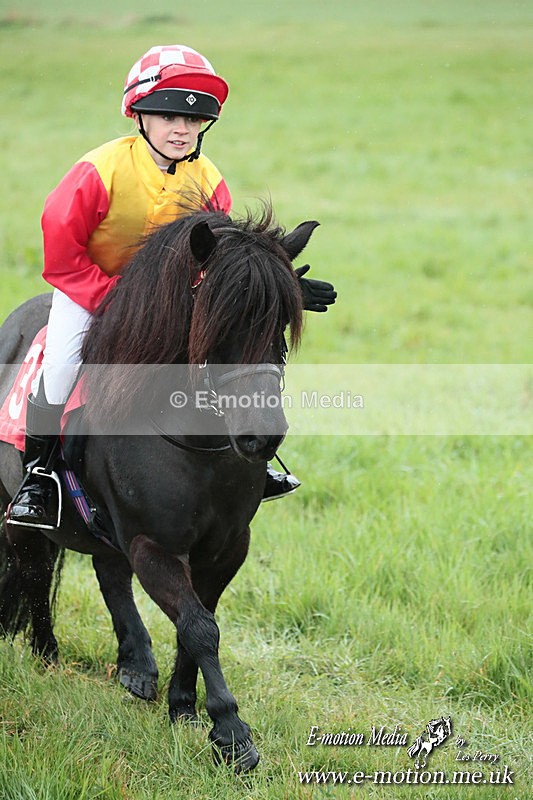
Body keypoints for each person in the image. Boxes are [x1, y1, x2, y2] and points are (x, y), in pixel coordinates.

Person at [8, 44, 336, 530]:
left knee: (227, 356)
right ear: (139, 116)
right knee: (60, 366)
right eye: (167, 117)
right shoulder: (98, 171)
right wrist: (113, 299)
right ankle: (38, 477)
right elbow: (61, 251)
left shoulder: (209, 180)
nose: (181, 129)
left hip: (168, 301)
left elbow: (221, 261)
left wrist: (279, 288)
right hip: (88, 290)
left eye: (194, 121)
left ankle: (251, 461)